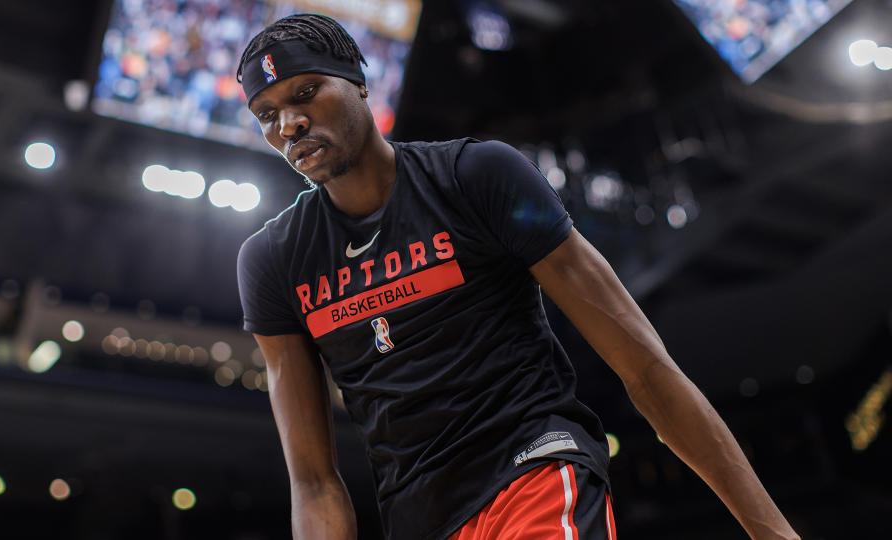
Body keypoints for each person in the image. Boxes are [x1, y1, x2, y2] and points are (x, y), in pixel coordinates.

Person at [234, 13, 800, 540]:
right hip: (422, 519)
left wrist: (772, 532)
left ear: (358, 81)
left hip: (535, 468)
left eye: (305, 92)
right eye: (266, 113)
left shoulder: (477, 176)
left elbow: (646, 369)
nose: (289, 123)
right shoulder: (272, 262)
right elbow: (312, 482)